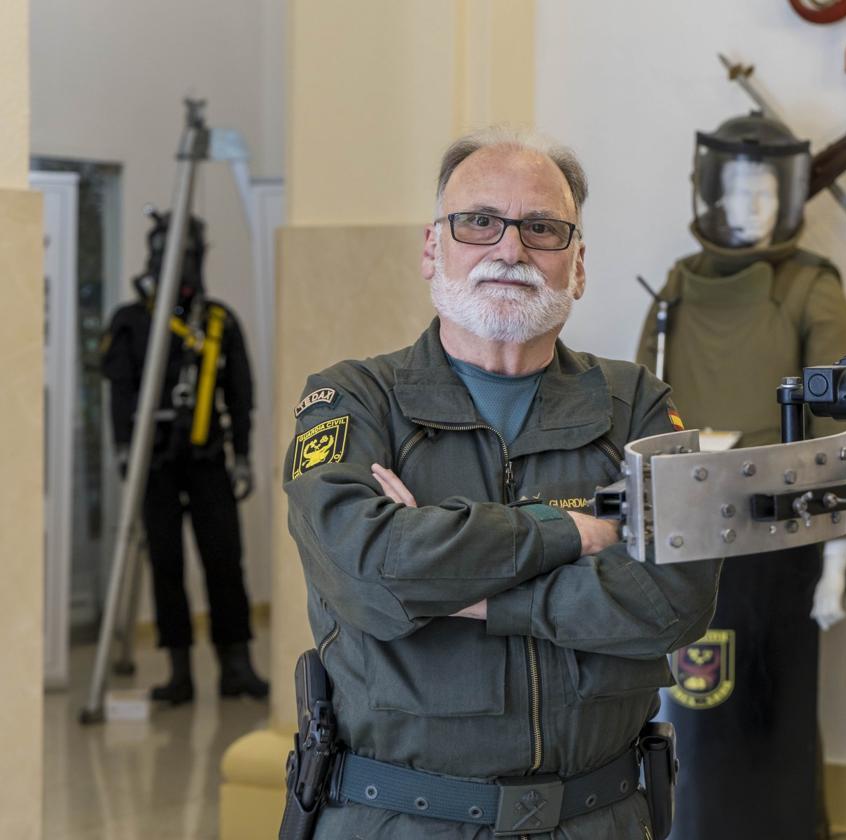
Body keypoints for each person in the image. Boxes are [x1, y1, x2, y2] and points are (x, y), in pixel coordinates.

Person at [284, 127, 722, 839]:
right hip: (399, 820)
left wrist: (459, 585)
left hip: (598, 817)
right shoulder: (353, 401)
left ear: (577, 266)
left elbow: (676, 601)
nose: (510, 250)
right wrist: (577, 534)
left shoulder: (637, 404)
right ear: (433, 249)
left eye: (542, 229)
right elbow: (366, 571)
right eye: (479, 222)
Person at [636, 111, 846, 840]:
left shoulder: (809, 288)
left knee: (780, 714)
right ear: (710, 193)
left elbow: (842, 429)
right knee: (690, 714)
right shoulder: (675, 291)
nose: (750, 209)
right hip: (690, 541)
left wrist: (837, 557)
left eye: (765, 195)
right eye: (737, 193)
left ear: (790, 199)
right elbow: (643, 414)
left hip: (782, 540)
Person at [101, 210, 268, 704]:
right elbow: (119, 394)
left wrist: (241, 455)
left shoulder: (218, 322)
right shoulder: (132, 323)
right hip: (153, 466)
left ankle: (236, 666)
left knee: (224, 560)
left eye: (192, 255)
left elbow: (241, 394)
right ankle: (179, 673)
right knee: (166, 565)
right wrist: (124, 451)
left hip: (207, 459)